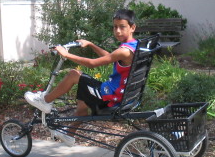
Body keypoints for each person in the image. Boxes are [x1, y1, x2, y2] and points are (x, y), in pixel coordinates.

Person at [24, 9, 138, 146]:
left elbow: (92, 64)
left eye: (122, 27)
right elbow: (110, 56)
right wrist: (90, 44)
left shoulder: (124, 51)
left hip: (110, 98)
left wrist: (66, 55)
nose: (118, 31)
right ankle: (70, 133)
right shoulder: (133, 46)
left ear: (132, 27)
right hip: (120, 94)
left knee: (74, 75)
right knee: (85, 88)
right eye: (115, 27)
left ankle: (44, 101)